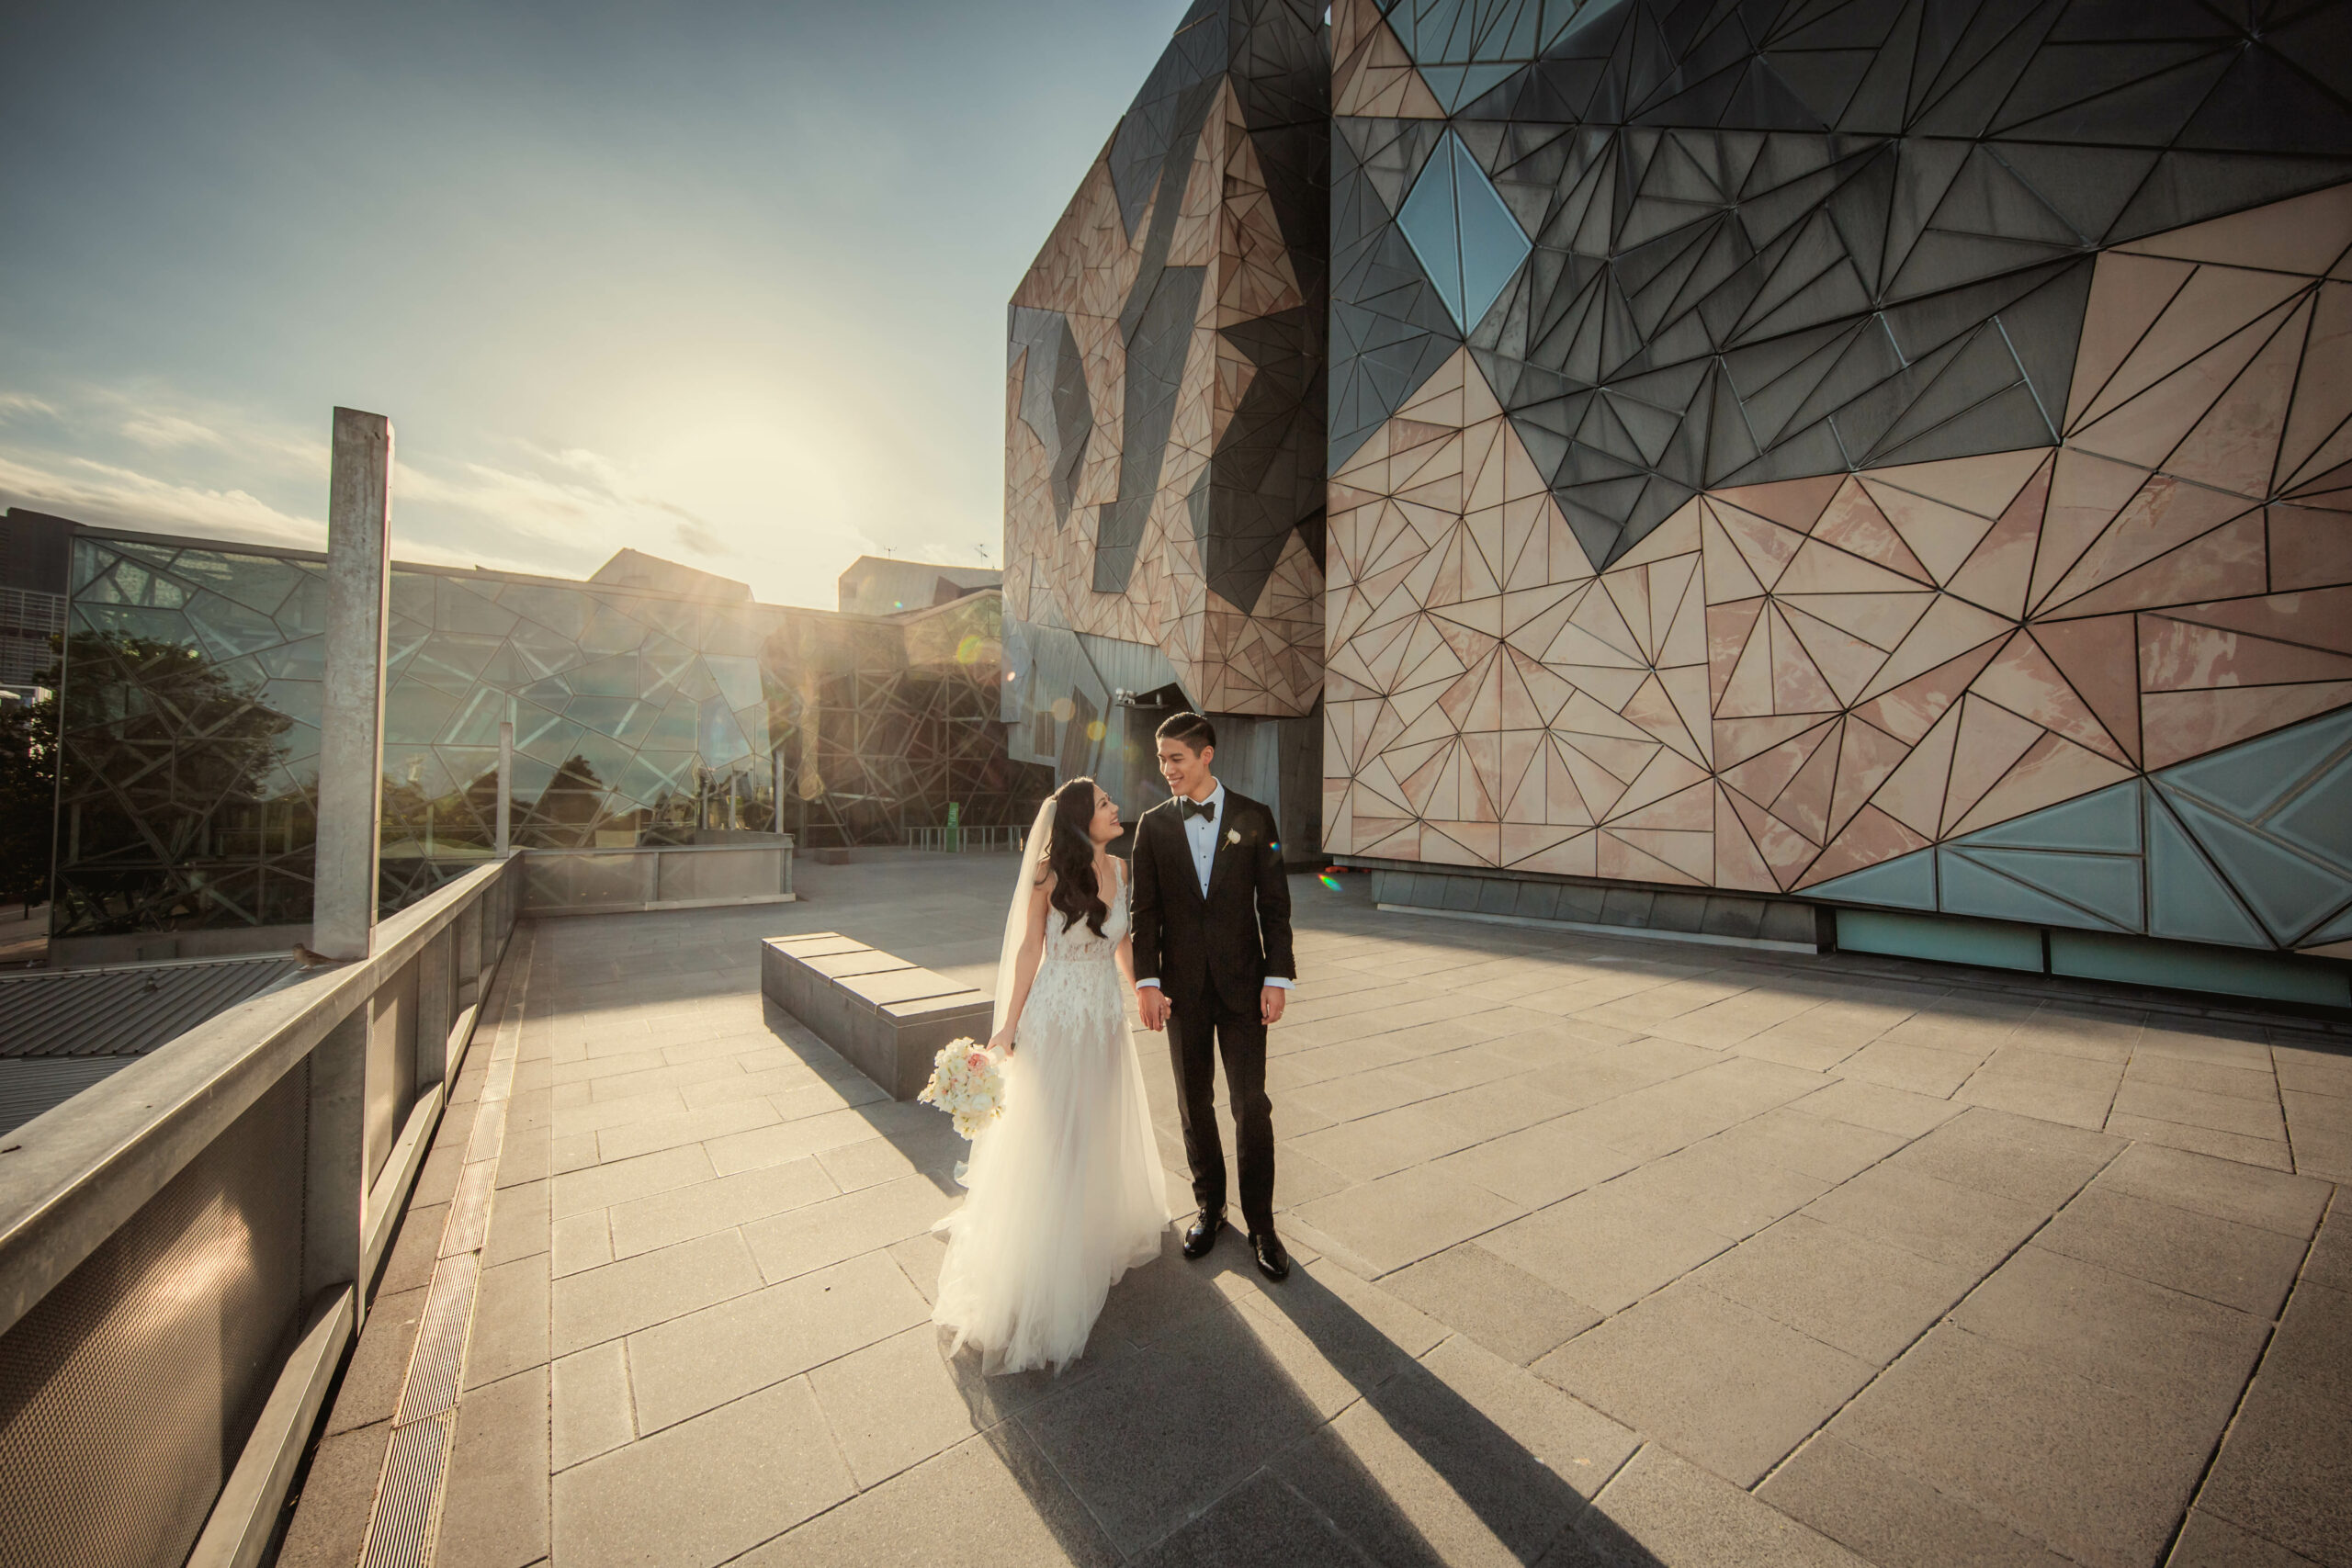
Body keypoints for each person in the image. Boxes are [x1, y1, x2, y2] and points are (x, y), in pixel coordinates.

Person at [930, 776, 1170, 1375]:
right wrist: (1008, 1024)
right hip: (1055, 1018)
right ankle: (1043, 1250)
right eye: (1106, 804)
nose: (1116, 809)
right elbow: (1029, 950)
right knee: (1051, 1131)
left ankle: (1087, 1225)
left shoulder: (1120, 867)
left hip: (1102, 1018)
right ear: (1081, 817)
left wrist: (1147, 985)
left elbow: (1123, 944)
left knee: (1092, 1125)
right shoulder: (1046, 875)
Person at [1129, 711, 1296, 1282]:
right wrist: (1147, 984)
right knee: (1192, 1102)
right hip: (1181, 992)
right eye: (1160, 760)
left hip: (1245, 987)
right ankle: (1210, 1208)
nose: (1166, 769)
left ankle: (1263, 1226)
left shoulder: (1256, 815)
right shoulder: (1151, 826)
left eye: (1175, 758)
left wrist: (1278, 978)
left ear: (1206, 755)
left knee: (1252, 1105)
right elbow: (1143, 912)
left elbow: (1274, 905)